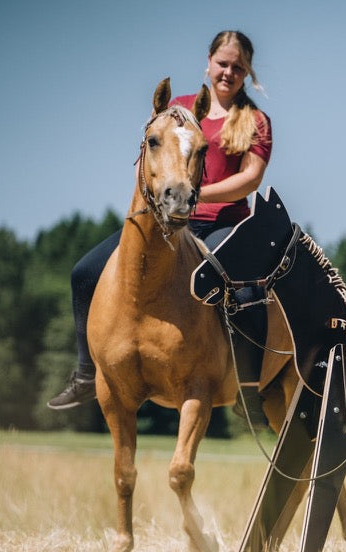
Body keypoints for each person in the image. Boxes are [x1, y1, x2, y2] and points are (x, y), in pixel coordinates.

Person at [48, 30, 272, 410]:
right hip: (162, 221)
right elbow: (149, 160)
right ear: (208, 63)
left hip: (222, 225)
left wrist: (196, 194)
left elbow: (249, 179)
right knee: (83, 273)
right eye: (222, 63)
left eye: (238, 66)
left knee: (247, 293)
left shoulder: (254, 120)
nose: (228, 72)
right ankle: (87, 373)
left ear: (247, 72)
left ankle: (249, 382)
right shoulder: (180, 108)